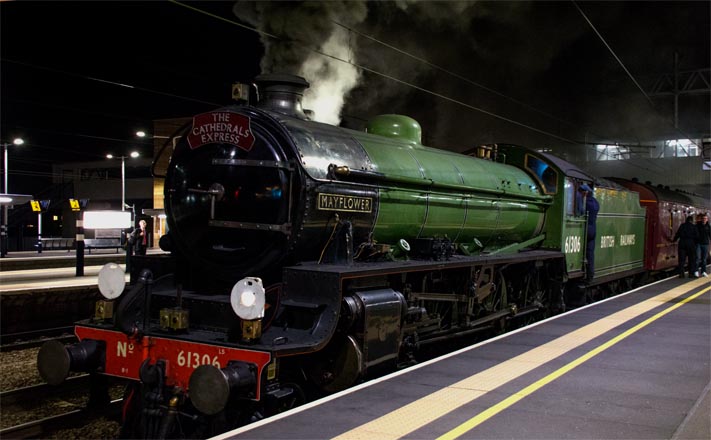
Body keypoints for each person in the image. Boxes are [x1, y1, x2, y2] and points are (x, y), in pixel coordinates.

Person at [579, 183, 599, 281]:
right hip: (593, 229)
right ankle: (590, 274)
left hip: (585, 229)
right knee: (590, 253)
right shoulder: (595, 202)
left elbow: (580, 212)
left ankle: (579, 268)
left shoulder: (585, 202)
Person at [696, 213, 710, 277]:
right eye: (703, 218)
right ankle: (696, 271)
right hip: (698, 243)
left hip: (705, 244)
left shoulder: (708, 226)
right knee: (698, 258)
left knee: (704, 259)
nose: (704, 220)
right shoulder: (697, 226)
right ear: (701, 219)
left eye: (705, 219)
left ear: (707, 219)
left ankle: (703, 271)